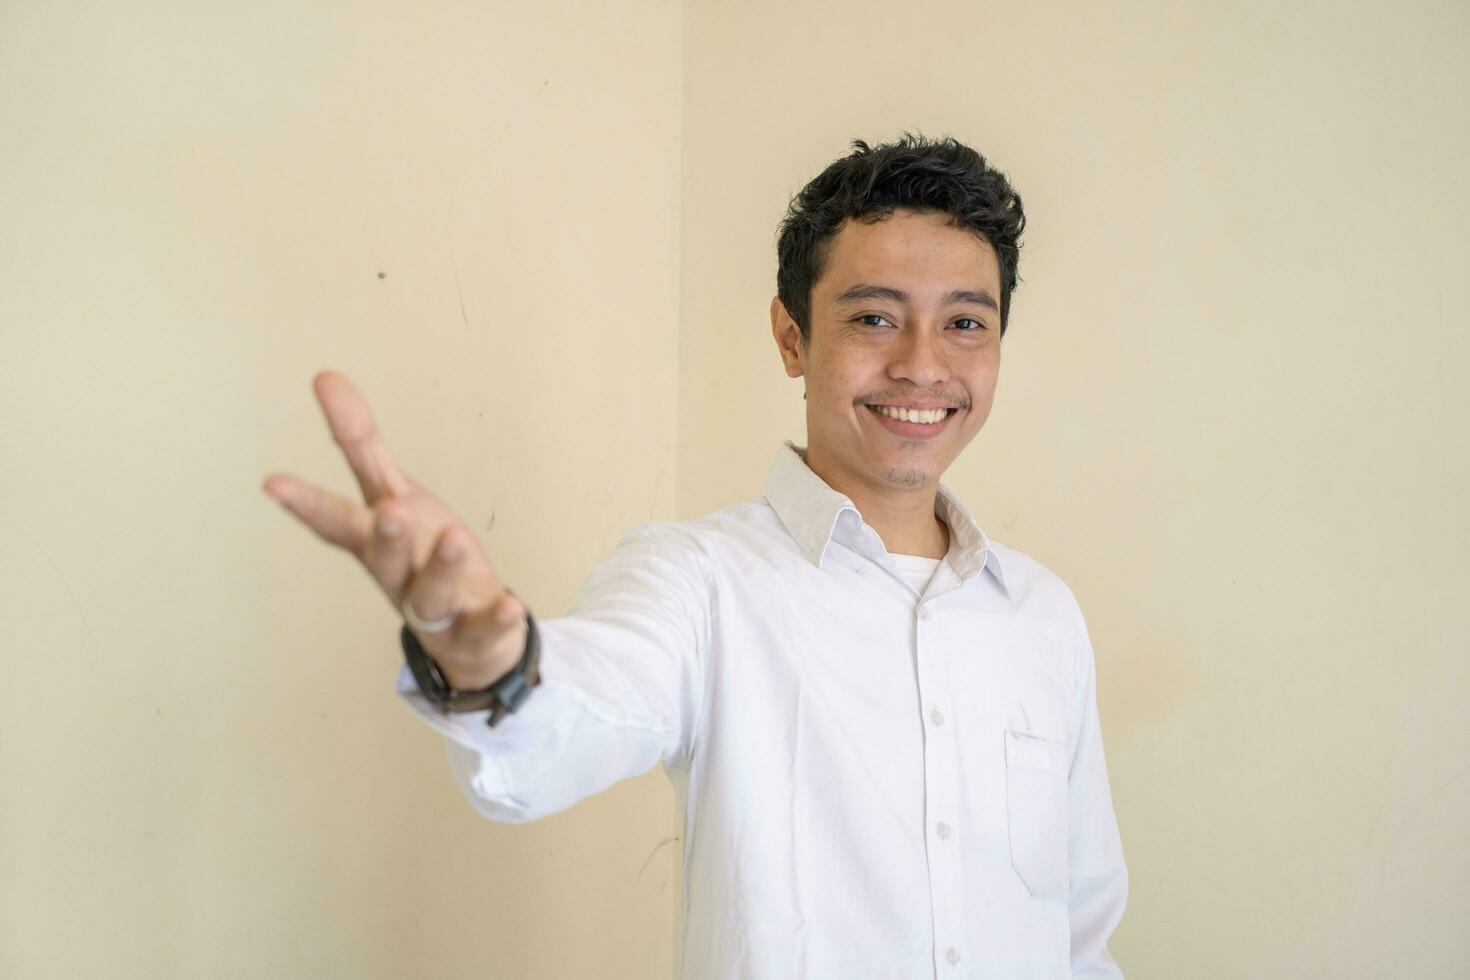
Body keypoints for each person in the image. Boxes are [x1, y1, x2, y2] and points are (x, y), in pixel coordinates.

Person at [263, 133, 1128, 978]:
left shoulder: (1042, 614)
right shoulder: (698, 577)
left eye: (966, 323)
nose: (922, 365)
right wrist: (489, 658)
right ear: (792, 338)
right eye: (874, 317)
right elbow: (572, 719)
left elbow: (1081, 930)